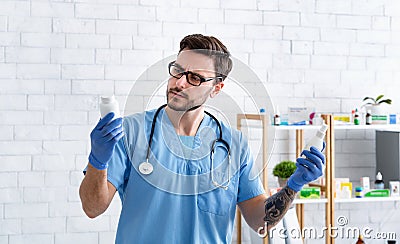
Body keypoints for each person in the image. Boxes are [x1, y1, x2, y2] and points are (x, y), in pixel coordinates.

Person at [79, 34, 325, 243]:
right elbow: (92, 208)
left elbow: (259, 221)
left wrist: (293, 186)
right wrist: (97, 162)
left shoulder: (233, 145)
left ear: (216, 88)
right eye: (177, 71)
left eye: (194, 77)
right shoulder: (130, 132)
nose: (180, 82)